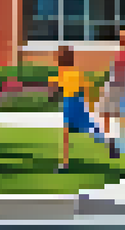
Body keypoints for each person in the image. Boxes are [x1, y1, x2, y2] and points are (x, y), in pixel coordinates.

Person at [49, 45, 119, 173]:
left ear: (60, 58)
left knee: (66, 134)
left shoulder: (61, 72)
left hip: (69, 103)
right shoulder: (76, 72)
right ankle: (108, 141)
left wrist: (52, 89)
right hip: (79, 102)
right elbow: (84, 87)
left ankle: (65, 164)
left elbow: (56, 89)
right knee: (88, 127)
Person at [101, 29, 125, 140]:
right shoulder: (121, 52)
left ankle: (111, 135)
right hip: (115, 84)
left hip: (118, 85)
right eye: (121, 37)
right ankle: (109, 134)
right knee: (108, 111)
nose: (121, 40)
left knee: (109, 111)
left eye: (123, 38)